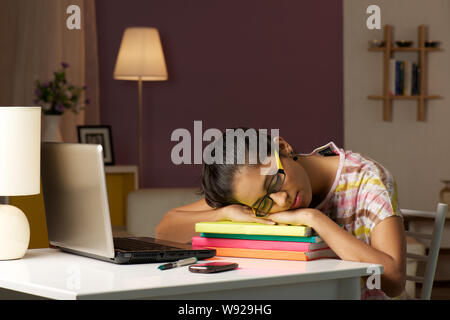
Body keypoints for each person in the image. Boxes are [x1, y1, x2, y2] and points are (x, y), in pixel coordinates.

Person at [156, 128, 406, 299]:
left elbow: (394, 281)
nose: (281, 199)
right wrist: (228, 212)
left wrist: (313, 218)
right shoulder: (252, 192)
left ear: (283, 147)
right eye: (264, 203)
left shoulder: (366, 178)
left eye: (275, 182)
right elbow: (165, 229)